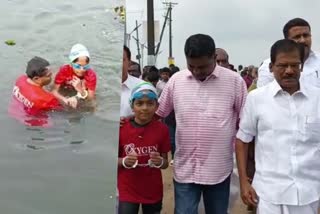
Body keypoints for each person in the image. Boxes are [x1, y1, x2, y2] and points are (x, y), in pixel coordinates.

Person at [156, 34, 247, 214]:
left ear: (214, 57)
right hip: (185, 168)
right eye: (192, 66)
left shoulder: (234, 82)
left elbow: (244, 124)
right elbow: (159, 113)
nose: (197, 71)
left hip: (218, 169)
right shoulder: (176, 81)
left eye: (202, 66)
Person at [236, 39, 320, 214]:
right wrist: (244, 182)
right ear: (271, 67)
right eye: (282, 65)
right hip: (269, 195)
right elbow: (243, 141)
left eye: (294, 65)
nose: (289, 71)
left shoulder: (317, 98)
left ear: (302, 67)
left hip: (310, 194)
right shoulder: (256, 99)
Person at [117, 82, 171, 214]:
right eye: (139, 103)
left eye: (150, 103)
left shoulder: (162, 129)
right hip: (128, 188)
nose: (145, 108)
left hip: (152, 190)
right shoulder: (121, 128)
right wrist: (124, 161)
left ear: (156, 106)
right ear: (132, 105)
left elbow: (165, 163)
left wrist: (160, 162)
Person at [257, 18, 320, 88]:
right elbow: (263, 95)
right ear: (287, 40)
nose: (303, 40)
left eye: (306, 35)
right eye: (297, 37)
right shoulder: (269, 66)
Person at [9, 56, 61, 126]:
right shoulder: (47, 99)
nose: (51, 76)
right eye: (49, 75)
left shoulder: (20, 79)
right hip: (34, 121)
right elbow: (65, 110)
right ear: (36, 78)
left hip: (14, 112)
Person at [52, 43, 97, 109]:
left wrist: (80, 89)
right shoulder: (64, 70)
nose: (81, 70)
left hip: (81, 89)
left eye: (85, 66)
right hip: (65, 87)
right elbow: (54, 91)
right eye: (78, 66)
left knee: (92, 106)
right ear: (71, 64)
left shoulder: (91, 75)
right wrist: (65, 100)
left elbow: (90, 98)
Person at [121, 45, 145, 118]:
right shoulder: (95, 86)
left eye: (122, 60)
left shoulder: (142, 87)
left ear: (129, 62)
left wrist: (129, 121)